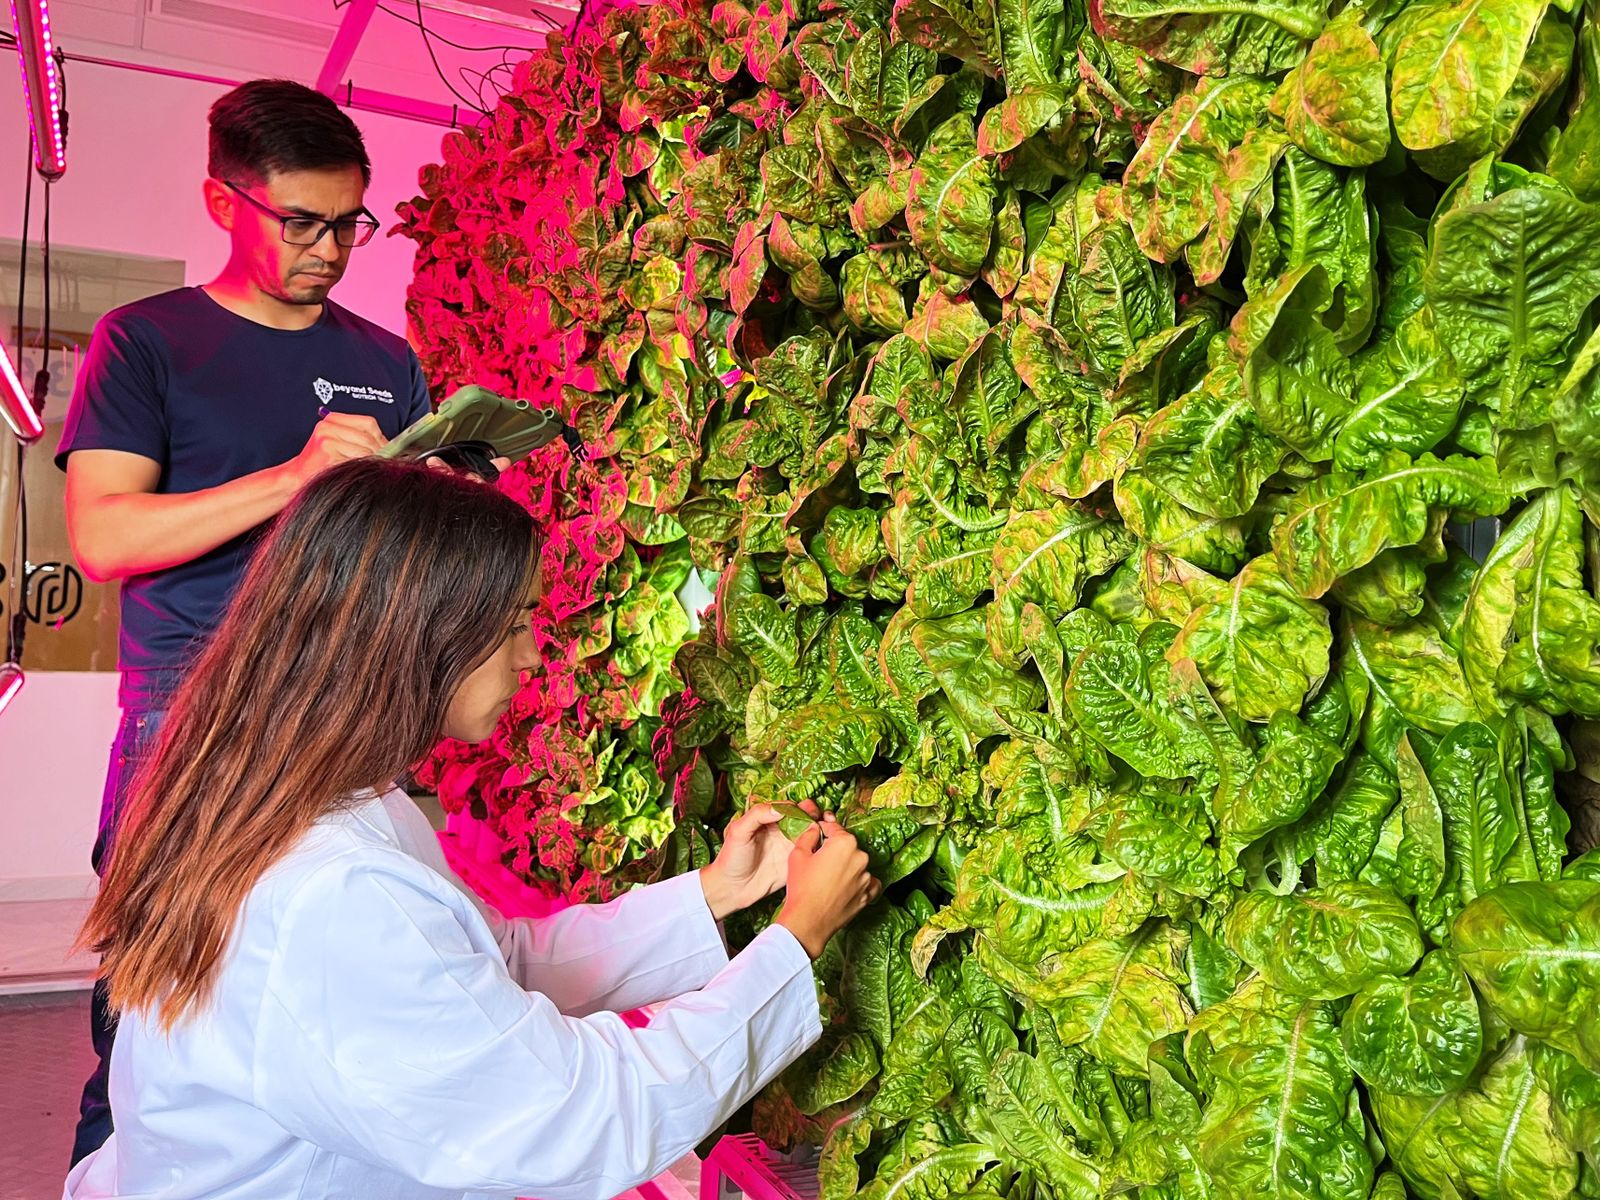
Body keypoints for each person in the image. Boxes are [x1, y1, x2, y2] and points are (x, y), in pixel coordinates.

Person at [65, 458, 879, 1200]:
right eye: (516, 619)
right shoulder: (332, 894)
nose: (532, 656)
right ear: (424, 633)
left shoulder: (307, 803)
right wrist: (795, 940)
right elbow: (586, 1117)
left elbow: (492, 969)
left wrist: (714, 893)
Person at [56, 79, 434, 1163]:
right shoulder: (147, 343)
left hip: (351, 713)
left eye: (348, 223)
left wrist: (447, 481)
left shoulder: (383, 363)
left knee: (337, 1001)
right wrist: (295, 475)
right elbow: (107, 537)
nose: (328, 249)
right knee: (155, 1008)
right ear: (224, 202)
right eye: (300, 222)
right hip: (194, 713)